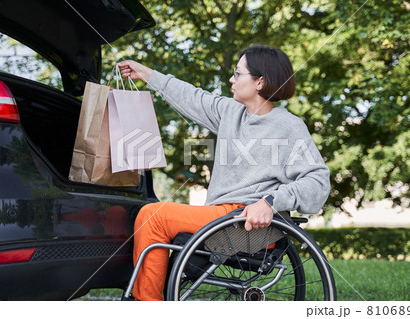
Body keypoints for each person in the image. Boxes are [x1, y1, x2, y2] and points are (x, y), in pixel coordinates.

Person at [118, 45, 330, 301]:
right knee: (152, 215)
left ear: (259, 82)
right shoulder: (231, 112)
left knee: (153, 216)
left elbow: (317, 182)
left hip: (246, 223)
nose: (231, 79)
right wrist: (146, 74)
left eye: (238, 74)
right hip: (222, 216)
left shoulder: (289, 127)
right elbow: (191, 96)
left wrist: (271, 202)